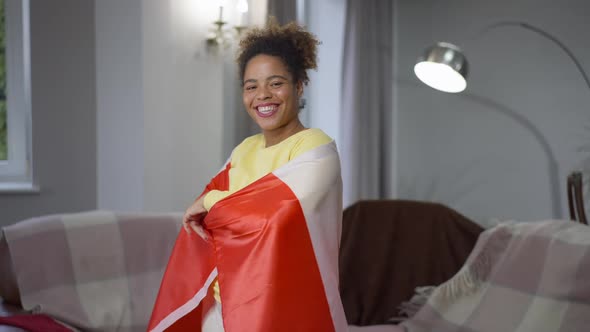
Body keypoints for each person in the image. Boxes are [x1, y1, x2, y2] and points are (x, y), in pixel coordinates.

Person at [148, 19, 348, 332]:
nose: (262, 95)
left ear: (299, 85)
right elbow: (210, 223)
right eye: (251, 86)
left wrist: (213, 203)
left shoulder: (315, 148)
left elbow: (269, 217)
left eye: (276, 83)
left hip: (288, 312)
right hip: (223, 310)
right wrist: (218, 210)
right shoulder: (244, 150)